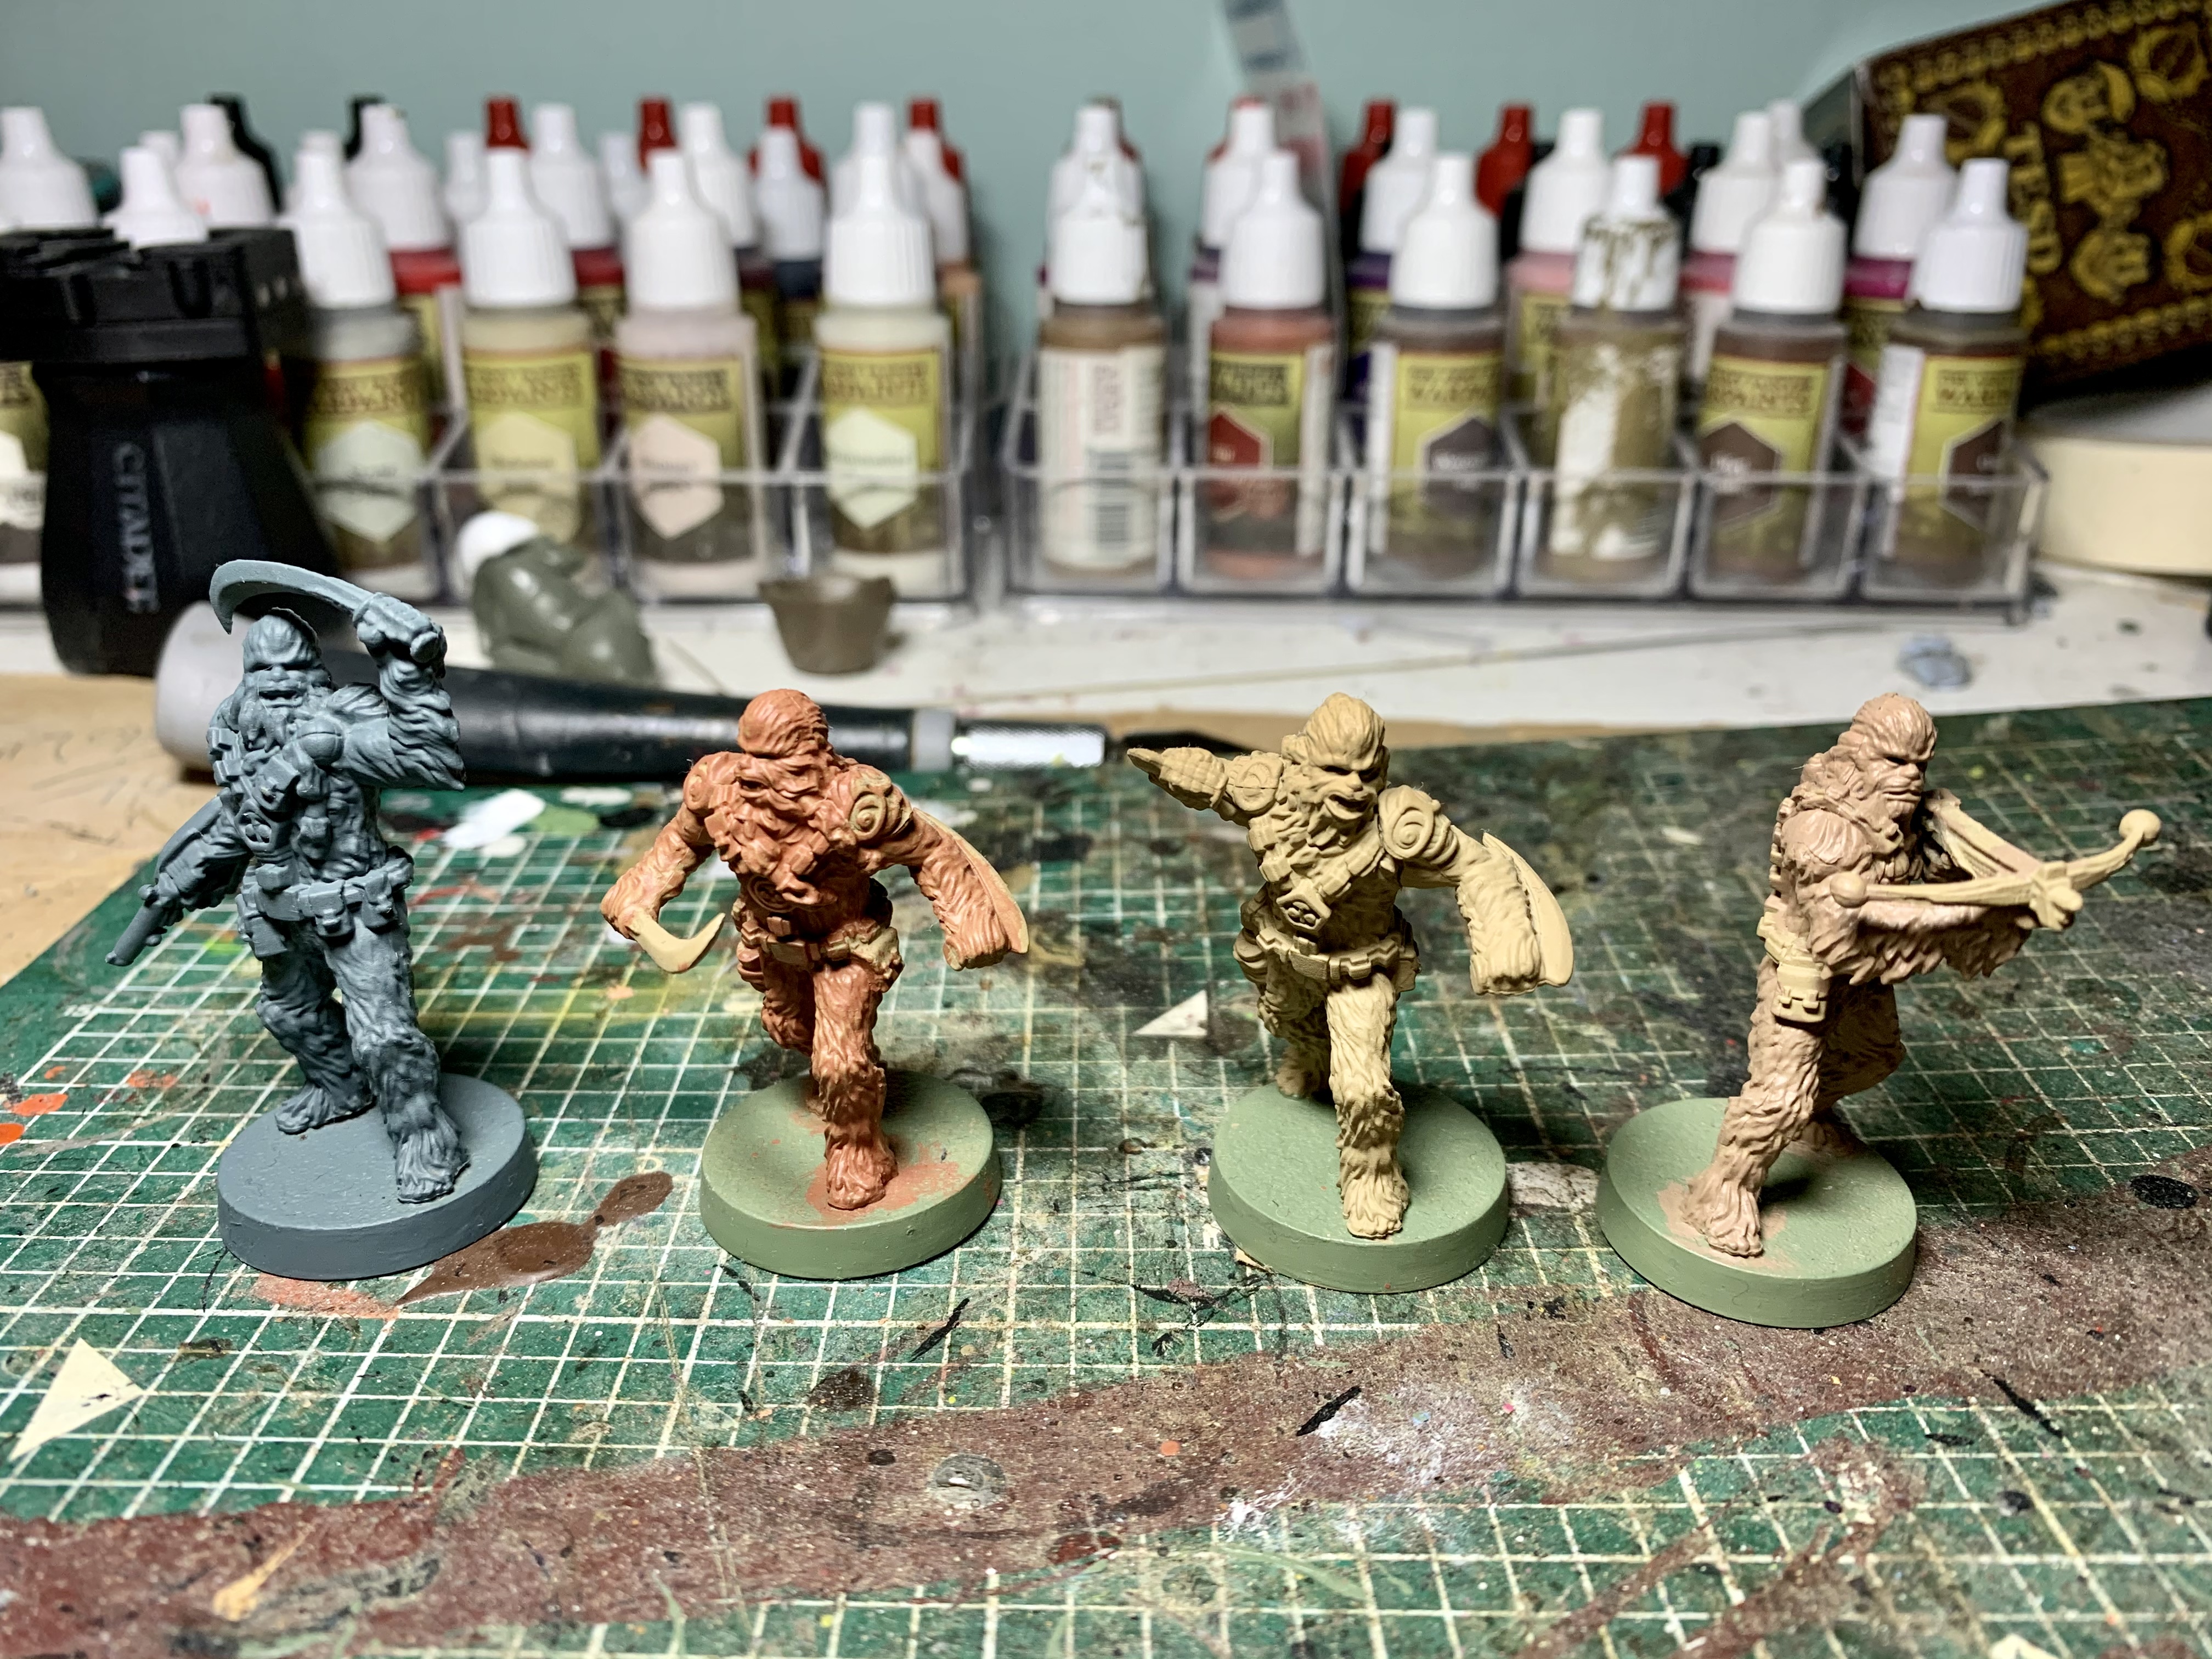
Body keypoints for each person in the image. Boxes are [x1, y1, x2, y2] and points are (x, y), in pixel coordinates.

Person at [601, 689, 1024, 1209]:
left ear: (815, 754)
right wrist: (641, 890)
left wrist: (968, 921)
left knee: (839, 1061)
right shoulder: (720, 788)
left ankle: (857, 1152)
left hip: (846, 948)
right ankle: (855, 1083)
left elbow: (933, 851)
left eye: (777, 761)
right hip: (771, 945)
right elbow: (681, 842)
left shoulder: (858, 805)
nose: (756, 773)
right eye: (751, 755)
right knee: (790, 1030)